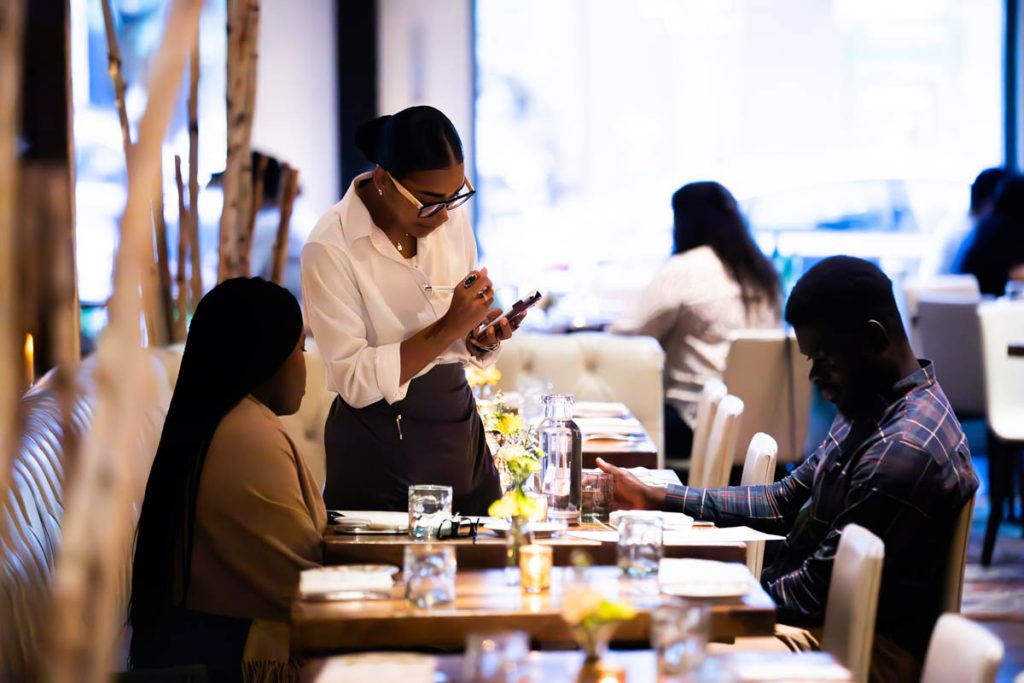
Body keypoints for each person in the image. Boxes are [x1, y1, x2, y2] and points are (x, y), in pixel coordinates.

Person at [599, 256, 978, 681]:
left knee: (653, 645)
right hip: (820, 621)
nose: (815, 375)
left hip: (856, 650)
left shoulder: (901, 453)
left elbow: (810, 595)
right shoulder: (873, 407)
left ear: (874, 339)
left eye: (824, 356)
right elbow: (783, 499)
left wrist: (684, 602)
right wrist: (658, 497)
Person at [301, 105, 522, 514]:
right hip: (376, 441)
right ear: (383, 179)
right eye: (429, 201)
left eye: (455, 197)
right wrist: (447, 326)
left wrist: (475, 336)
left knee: (488, 569)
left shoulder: (449, 219)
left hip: (457, 426)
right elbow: (353, 379)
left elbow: (451, 339)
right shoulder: (330, 246)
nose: (443, 215)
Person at [129, 278, 326, 682]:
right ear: (267, 357)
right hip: (228, 660)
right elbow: (302, 584)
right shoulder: (248, 435)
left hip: (201, 644)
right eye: (300, 350)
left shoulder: (228, 420)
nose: (306, 367)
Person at [610, 181, 780, 460]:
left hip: (696, 423)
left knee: (628, 417)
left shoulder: (685, 268)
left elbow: (631, 332)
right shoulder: (762, 274)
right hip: (759, 427)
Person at [956, 173, 1024, 296]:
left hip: (966, 305)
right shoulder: (1008, 229)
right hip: (986, 304)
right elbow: (1014, 273)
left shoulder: (986, 226)